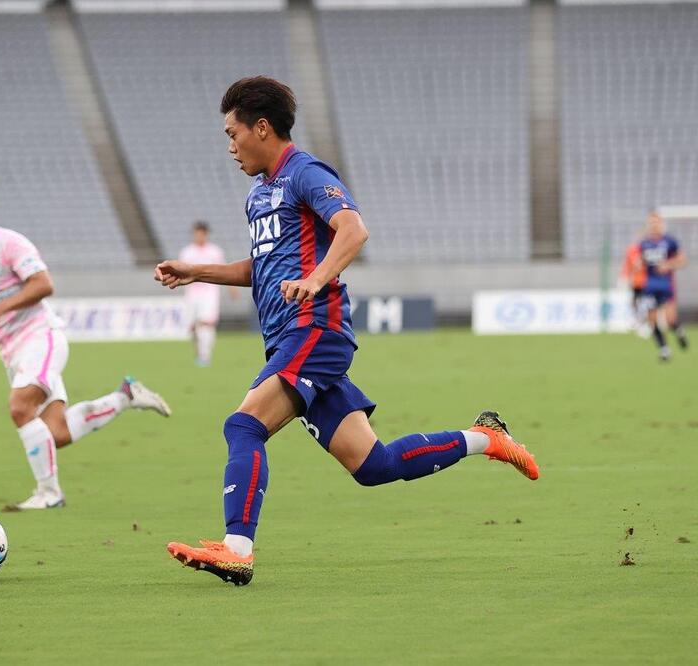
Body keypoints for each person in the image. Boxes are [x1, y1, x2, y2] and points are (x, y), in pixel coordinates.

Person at [154, 77, 539, 586]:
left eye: (233, 133)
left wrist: (315, 280)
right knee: (374, 465)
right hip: (289, 337)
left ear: (261, 127)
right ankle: (485, 438)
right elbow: (262, 266)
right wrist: (197, 272)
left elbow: (354, 228)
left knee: (243, 426)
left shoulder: (305, 173)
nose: (230, 146)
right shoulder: (259, 194)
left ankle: (237, 549)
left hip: (316, 328)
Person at [0, 174, 171, 510]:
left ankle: (49, 493)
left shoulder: (6, 243)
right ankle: (125, 397)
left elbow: (43, 284)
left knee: (19, 407)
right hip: (11, 353)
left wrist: (1, 306)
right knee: (55, 433)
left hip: (41, 337)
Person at [636, 210, 688, 361]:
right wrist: (639, 264)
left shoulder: (670, 241)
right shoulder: (644, 243)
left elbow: (683, 260)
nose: (654, 225)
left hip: (665, 285)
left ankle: (679, 332)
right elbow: (641, 260)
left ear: (661, 223)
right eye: (651, 222)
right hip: (650, 286)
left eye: (656, 222)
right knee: (652, 319)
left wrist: (668, 264)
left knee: (669, 318)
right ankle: (664, 350)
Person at [179, 221, 226, 366]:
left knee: (206, 323)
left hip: (209, 293)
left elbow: (224, 270)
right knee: (193, 327)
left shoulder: (215, 251)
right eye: (196, 233)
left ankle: (205, 356)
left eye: (201, 233)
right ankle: (199, 353)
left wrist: (232, 289)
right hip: (192, 294)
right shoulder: (187, 252)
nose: (198, 236)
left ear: (206, 234)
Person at [619, 235, 649, 337]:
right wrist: (624, 277)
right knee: (635, 302)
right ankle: (637, 321)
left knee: (645, 303)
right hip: (636, 282)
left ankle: (644, 324)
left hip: (646, 282)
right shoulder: (631, 251)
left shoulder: (647, 250)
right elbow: (627, 265)